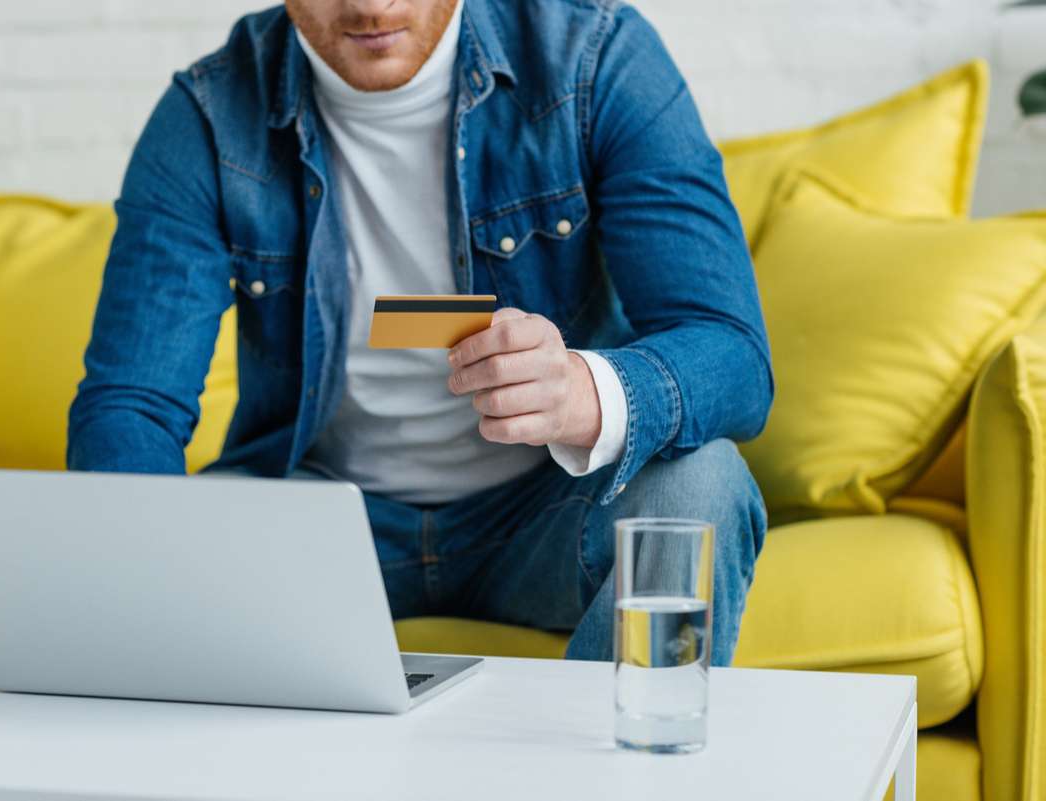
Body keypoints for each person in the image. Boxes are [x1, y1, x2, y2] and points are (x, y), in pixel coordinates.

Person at [68, 0, 773, 666]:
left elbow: (732, 351)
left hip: (548, 514)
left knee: (703, 489)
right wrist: (142, 583)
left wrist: (587, 390)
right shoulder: (210, 115)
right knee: (147, 548)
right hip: (319, 526)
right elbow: (132, 404)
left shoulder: (595, 57)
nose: (372, 8)